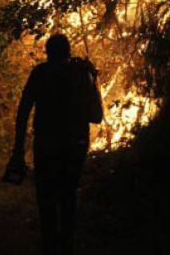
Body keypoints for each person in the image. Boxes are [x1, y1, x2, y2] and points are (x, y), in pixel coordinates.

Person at [9, 34, 103, 255]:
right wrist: (92, 79)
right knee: (68, 195)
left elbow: (23, 112)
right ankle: (67, 245)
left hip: (46, 144)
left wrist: (18, 149)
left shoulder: (40, 73)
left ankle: (49, 245)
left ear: (47, 52)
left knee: (46, 197)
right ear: (68, 52)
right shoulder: (81, 74)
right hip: (75, 145)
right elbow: (96, 117)